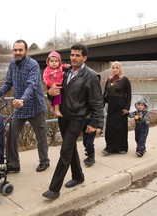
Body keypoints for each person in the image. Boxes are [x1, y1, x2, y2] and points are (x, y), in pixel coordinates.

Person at [42, 44, 104, 200]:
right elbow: (56, 94)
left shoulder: (91, 76)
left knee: (65, 149)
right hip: (63, 116)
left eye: (77, 55)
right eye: (72, 55)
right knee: (71, 149)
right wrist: (49, 94)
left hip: (78, 118)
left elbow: (97, 103)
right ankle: (78, 176)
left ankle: (54, 189)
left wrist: (96, 123)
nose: (73, 58)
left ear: (84, 58)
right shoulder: (64, 71)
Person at [0, 39, 50, 172]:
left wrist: (23, 99)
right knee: (11, 133)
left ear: (26, 51)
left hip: (35, 106)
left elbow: (31, 85)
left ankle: (44, 161)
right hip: (19, 107)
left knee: (41, 135)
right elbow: (8, 82)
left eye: (20, 50)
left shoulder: (33, 65)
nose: (18, 52)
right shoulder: (12, 64)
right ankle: (14, 164)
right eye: (15, 50)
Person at [102, 61, 132, 155]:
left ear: (120, 69)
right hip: (111, 107)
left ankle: (120, 148)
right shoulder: (109, 79)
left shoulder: (125, 80)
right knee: (110, 127)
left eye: (117, 68)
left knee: (120, 128)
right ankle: (110, 147)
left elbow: (129, 95)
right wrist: (100, 105)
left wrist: (127, 107)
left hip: (121, 108)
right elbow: (105, 94)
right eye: (113, 67)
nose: (115, 69)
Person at [43, 50, 67, 117]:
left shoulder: (60, 67)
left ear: (59, 62)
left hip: (59, 84)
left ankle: (52, 108)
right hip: (51, 84)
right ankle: (56, 109)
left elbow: (63, 66)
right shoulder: (47, 70)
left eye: (56, 61)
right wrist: (51, 84)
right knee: (58, 96)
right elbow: (45, 78)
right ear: (48, 62)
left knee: (56, 97)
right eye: (51, 61)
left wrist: (66, 66)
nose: (54, 63)